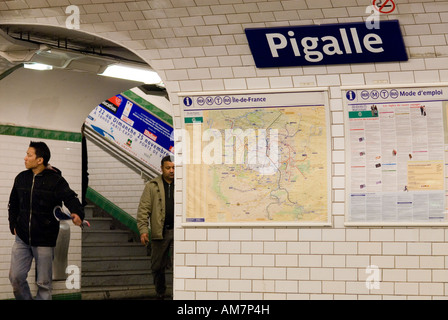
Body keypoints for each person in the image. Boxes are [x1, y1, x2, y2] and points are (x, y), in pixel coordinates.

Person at [8, 141, 84, 300]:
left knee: (44, 284)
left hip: (44, 238)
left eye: (29, 155)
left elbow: (70, 197)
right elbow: (13, 203)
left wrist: (77, 212)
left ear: (39, 160)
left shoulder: (55, 181)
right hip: (22, 237)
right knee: (15, 277)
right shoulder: (21, 178)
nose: (25, 158)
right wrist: (13, 224)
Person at [137, 155, 174, 299]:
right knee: (157, 266)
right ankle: (161, 292)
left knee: (181, 263)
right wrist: (143, 231)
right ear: (162, 168)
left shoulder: (182, 184)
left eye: (174, 168)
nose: (171, 171)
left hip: (179, 233)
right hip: (161, 232)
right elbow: (143, 210)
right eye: (168, 168)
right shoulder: (152, 186)